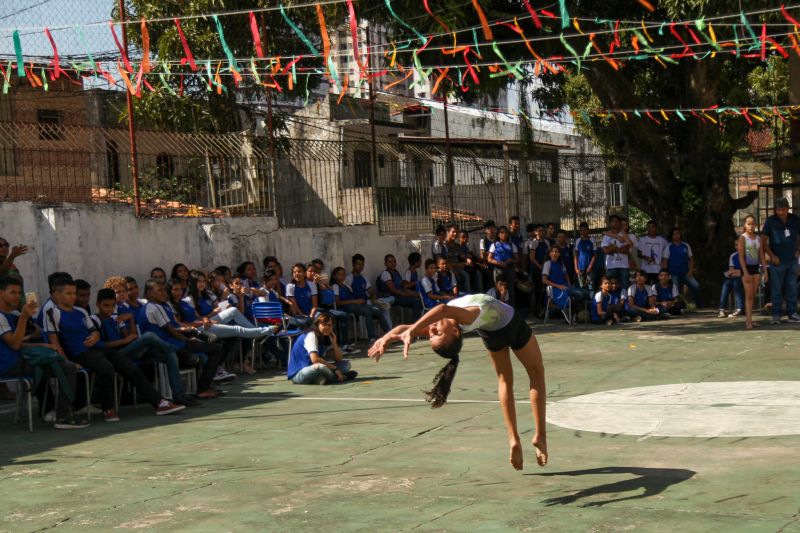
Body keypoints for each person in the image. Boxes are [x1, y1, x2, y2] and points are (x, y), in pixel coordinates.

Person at [367, 293, 547, 471]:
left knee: (504, 380)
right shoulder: (464, 317)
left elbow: (404, 328)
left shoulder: (448, 322)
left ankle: (513, 438)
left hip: (491, 333)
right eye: (437, 333)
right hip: (511, 325)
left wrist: (387, 338)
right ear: (454, 331)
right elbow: (442, 309)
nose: (431, 331)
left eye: (432, 335)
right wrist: (411, 331)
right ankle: (540, 435)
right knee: (536, 373)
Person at [45, 279, 186, 421]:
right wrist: (66, 361)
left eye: (73, 293)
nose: (72, 296)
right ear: (57, 294)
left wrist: (95, 336)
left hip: (98, 349)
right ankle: (108, 409)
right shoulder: (52, 313)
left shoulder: (81, 311)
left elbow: (94, 331)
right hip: (80, 353)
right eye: (68, 293)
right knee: (107, 368)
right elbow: (54, 341)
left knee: (130, 367)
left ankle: (159, 403)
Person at [0, 276, 88, 429]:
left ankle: (58, 412)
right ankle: (63, 416)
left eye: (19, 293)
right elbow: (14, 345)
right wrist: (23, 317)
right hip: (9, 364)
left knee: (62, 363)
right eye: (12, 292)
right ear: (1, 293)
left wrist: (41, 342)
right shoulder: (2, 317)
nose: (17, 296)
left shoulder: (13, 315)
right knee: (67, 367)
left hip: (22, 358)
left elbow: (21, 342)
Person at [91, 288, 201, 407]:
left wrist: (131, 319)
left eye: (112, 306)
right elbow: (101, 345)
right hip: (116, 356)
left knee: (170, 356)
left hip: (130, 351)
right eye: (106, 306)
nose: (109, 309)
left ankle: (179, 396)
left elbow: (131, 336)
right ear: (97, 304)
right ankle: (178, 350)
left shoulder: (115, 319)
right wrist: (125, 340)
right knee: (149, 336)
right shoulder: (94, 320)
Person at [140, 279, 226, 400]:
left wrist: (187, 331)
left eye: (164, 290)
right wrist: (188, 340)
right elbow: (170, 330)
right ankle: (203, 388)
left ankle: (206, 384)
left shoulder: (162, 305)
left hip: (173, 340)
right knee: (216, 349)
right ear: (149, 293)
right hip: (170, 344)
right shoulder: (154, 307)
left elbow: (173, 326)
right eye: (159, 290)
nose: (164, 293)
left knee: (211, 343)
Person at [287, 313, 357, 385]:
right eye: (324, 325)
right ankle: (340, 378)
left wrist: (334, 343)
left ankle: (320, 379)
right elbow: (315, 359)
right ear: (317, 325)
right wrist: (335, 369)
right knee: (320, 367)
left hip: (313, 370)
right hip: (299, 374)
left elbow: (339, 359)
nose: (327, 327)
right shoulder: (311, 335)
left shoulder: (324, 336)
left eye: (329, 325)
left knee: (345, 365)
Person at [761, 197, 800, 324]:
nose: (780, 212)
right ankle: (776, 315)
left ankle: (792, 313)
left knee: (792, 287)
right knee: (777, 288)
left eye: (783, 209)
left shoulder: (795, 219)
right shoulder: (770, 221)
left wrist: (798, 250)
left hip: (792, 260)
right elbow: (763, 241)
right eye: (778, 210)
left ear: (787, 209)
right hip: (777, 261)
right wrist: (772, 256)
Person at [330, 267, 390, 345]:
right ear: (334, 276)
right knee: (368, 312)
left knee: (377, 310)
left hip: (355, 305)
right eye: (339, 274)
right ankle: (372, 337)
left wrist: (359, 301)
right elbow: (338, 302)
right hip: (345, 307)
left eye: (343, 274)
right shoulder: (335, 286)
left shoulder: (346, 286)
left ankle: (389, 332)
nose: (342, 276)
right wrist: (355, 301)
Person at [738, 214, 768, 330]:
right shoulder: (742, 238)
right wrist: (745, 272)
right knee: (748, 295)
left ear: (755, 225)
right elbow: (741, 257)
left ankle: (750, 319)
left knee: (753, 295)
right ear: (745, 225)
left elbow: (761, 255)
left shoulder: (758, 239)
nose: (751, 226)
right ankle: (748, 321)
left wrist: (765, 271)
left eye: (752, 224)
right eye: (748, 224)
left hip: (755, 268)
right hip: (746, 268)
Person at [348, 254, 393, 329]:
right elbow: (347, 295)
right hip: (356, 305)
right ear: (353, 264)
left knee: (385, 308)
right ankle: (386, 331)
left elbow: (371, 291)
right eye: (358, 264)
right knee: (376, 310)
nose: (361, 267)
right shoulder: (349, 278)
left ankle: (389, 331)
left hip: (367, 303)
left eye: (362, 264)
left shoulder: (364, 278)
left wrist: (373, 298)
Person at [662, 227, 702, 307]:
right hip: (673, 273)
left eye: (678, 233)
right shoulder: (668, 247)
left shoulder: (686, 245)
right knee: (675, 292)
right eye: (674, 234)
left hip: (686, 273)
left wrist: (690, 270)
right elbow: (665, 261)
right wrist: (667, 274)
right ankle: (676, 308)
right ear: (672, 236)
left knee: (696, 286)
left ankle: (699, 305)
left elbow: (691, 258)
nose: (676, 235)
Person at [376, 254, 422, 321]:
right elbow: (394, 291)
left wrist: (414, 294)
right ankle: (414, 325)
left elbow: (402, 287)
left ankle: (415, 323)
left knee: (418, 299)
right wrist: (408, 295)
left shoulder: (396, 272)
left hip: (398, 297)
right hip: (392, 297)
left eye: (394, 261)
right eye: (390, 262)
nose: (393, 263)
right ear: (385, 263)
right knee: (416, 302)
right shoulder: (385, 274)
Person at [541, 247, 586, 313]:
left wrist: (569, 283)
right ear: (550, 254)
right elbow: (544, 280)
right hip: (555, 289)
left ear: (559, 254)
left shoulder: (561, 263)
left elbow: (566, 274)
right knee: (580, 294)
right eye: (553, 252)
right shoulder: (547, 263)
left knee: (586, 293)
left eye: (556, 252)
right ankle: (568, 310)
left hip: (565, 286)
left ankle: (569, 308)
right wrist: (558, 286)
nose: (554, 253)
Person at [602, 215, 631, 289]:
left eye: (617, 221)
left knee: (624, 286)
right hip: (611, 266)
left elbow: (626, 250)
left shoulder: (624, 235)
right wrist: (619, 249)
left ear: (620, 223)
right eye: (613, 221)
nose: (615, 223)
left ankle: (624, 300)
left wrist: (613, 248)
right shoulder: (606, 236)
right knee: (610, 287)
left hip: (624, 266)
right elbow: (605, 251)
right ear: (610, 223)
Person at [286, 263, 318, 328]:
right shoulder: (290, 286)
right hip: (298, 315)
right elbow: (295, 306)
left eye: (299, 272)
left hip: (311, 314)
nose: (296, 274)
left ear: (304, 273)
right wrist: (304, 317)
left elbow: (314, 305)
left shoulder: (312, 285)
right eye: (294, 272)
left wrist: (311, 316)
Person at [637, 220, 669, 285]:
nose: (651, 229)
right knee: (645, 288)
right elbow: (638, 254)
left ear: (656, 228)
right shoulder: (642, 240)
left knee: (657, 289)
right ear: (647, 228)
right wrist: (645, 257)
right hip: (645, 270)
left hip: (658, 270)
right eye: (649, 227)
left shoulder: (661, 240)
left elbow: (668, 249)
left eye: (653, 227)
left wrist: (664, 260)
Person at [718, 243, 744, 319]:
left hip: (747, 276)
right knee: (726, 283)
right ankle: (721, 309)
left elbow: (749, 270)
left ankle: (740, 308)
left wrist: (737, 272)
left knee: (736, 282)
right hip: (736, 277)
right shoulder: (733, 256)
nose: (738, 246)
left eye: (740, 244)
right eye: (736, 245)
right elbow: (731, 272)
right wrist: (737, 272)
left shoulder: (748, 255)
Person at [444, 225, 471, 293]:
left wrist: (467, 259)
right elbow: (444, 261)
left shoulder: (457, 245)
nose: (455, 234)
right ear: (448, 232)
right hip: (448, 268)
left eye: (456, 232)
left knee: (468, 273)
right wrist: (457, 265)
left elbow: (462, 255)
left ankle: (467, 294)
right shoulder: (444, 245)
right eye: (453, 232)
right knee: (463, 276)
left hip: (457, 267)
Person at [573, 222, 596, 291]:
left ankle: (591, 301)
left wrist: (590, 266)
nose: (583, 232)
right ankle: (583, 301)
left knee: (590, 286)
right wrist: (576, 267)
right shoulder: (577, 241)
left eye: (584, 230)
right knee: (582, 286)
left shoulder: (592, 240)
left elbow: (594, 255)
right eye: (581, 230)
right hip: (580, 268)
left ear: (588, 230)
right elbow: (576, 255)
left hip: (590, 268)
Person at [479, 220, 497, 291]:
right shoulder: (483, 241)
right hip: (489, 266)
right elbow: (482, 255)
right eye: (488, 228)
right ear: (486, 230)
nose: (490, 230)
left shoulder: (498, 240)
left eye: (492, 228)